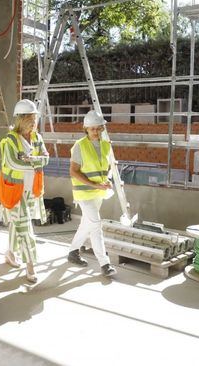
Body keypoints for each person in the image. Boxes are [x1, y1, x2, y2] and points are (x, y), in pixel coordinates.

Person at [0, 99, 49, 284]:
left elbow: (47, 159)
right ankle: (30, 266)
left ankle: (10, 254)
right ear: (20, 119)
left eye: (35, 118)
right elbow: (13, 163)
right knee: (26, 229)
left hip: (30, 190)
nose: (33, 122)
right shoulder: (10, 139)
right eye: (30, 118)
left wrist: (29, 160)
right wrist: (32, 162)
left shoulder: (37, 138)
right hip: (14, 190)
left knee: (16, 225)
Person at [67, 110, 117, 277]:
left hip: (98, 193)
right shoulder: (79, 146)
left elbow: (107, 168)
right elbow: (73, 172)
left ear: (102, 128)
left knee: (87, 224)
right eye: (92, 128)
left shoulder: (106, 145)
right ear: (86, 129)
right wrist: (94, 184)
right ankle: (105, 264)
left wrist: (107, 180)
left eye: (98, 128)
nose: (95, 132)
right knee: (96, 226)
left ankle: (73, 252)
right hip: (84, 194)